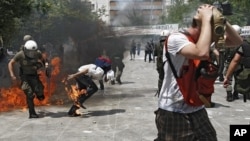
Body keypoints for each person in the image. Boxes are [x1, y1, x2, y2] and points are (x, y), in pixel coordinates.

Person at [154, 4, 242, 141]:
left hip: (195, 106)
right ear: (202, 25)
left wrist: (221, 19)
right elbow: (201, 52)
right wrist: (207, 19)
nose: (217, 34)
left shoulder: (204, 41)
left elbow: (237, 41)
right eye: (215, 29)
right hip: (173, 110)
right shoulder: (176, 39)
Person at [8, 40, 50, 118]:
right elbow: (10, 63)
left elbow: (44, 60)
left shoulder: (37, 53)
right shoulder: (20, 54)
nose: (32, 54)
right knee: (29, 94)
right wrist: (12, 75)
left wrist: (46, 68)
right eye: (30, 52)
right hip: (25, 77)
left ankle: (39, 95)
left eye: (33, 52)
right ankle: (32, 113)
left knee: (40, 90)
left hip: (34, 76)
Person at [223, 32, 250, 101]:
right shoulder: (241, 42)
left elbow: (234, 59)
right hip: (240, 64)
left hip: (230, 62)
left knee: (229, 78)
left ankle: (229, 94)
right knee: (237, 78)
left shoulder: (228, 41)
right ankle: (236, 93)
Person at [154, 30, 170, 96]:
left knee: (161, 78)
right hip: (168, 64)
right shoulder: (169, 44)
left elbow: (155, 54)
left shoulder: (157, 44)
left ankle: (160, 92)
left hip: (160, 65)